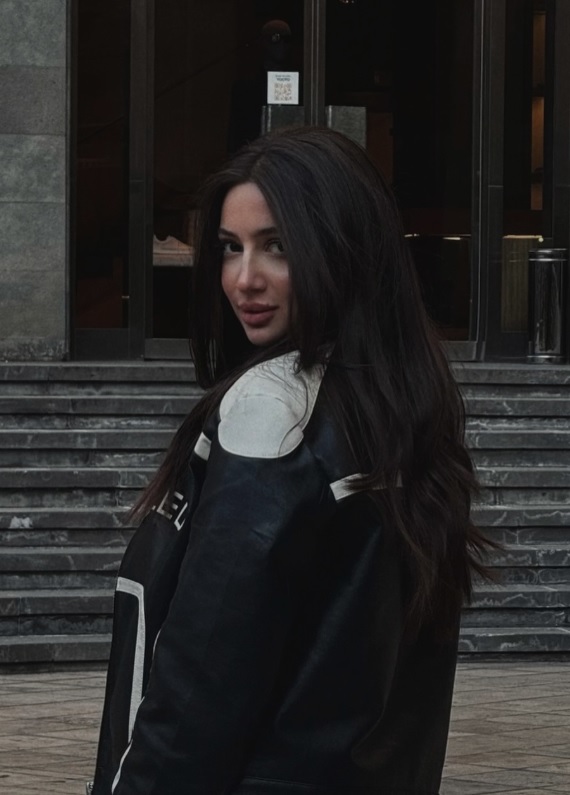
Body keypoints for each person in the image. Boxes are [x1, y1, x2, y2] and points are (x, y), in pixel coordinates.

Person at [91, 127, 491, 795]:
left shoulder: (271, 414)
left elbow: (198, 689)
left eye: (277, 246)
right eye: (230, 247)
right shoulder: (404, 410)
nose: (244, 279)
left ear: (343, 249)